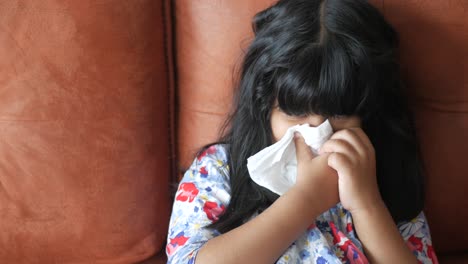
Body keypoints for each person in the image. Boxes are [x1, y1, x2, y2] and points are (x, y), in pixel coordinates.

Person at [166, 0, 439, 263]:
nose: (319, 132)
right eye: (295, 113)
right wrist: (306, 199)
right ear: (265, 108)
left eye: (339, 114)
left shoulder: (384, 177)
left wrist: (367, 205)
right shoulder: (218, 168)